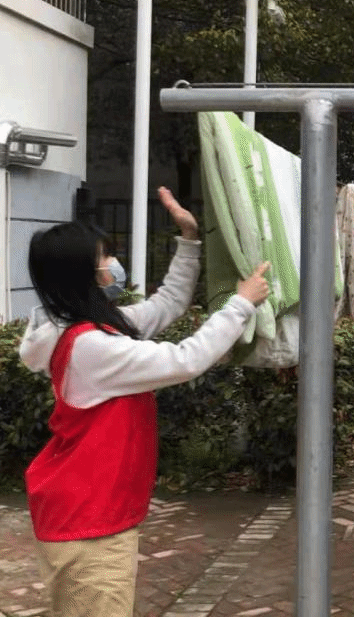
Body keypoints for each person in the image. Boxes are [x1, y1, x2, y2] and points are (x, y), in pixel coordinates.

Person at [19, 186, 271, 617]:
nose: (112, 265)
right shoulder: (90, 347)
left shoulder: (89, 328)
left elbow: (166, 304)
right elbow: (186, 359)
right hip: (87, 524)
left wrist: (189, 240)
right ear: (81, 273)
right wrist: (240, 304)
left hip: (86, 513)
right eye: (105, 258)